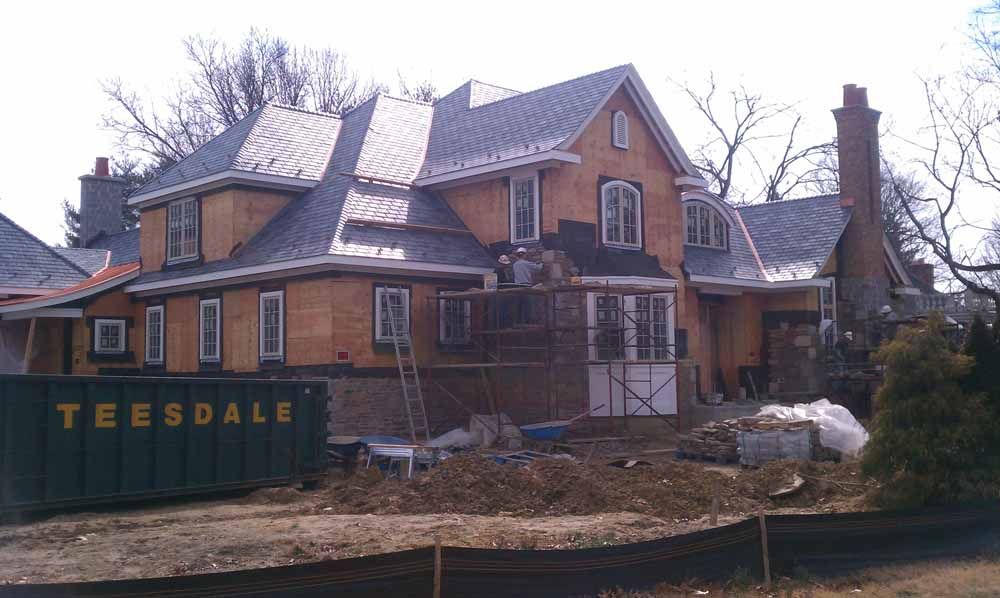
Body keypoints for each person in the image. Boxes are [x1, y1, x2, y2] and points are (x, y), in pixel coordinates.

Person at [512, 247, 543, 325]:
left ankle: (518, 322)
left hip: (516, 286)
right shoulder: (526, 263)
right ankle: (527, 322)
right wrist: (542, 263)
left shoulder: (515, 265)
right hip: (526, 286)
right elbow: (538, 268)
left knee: (519, 305)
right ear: (524, 255)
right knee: (528, 305)